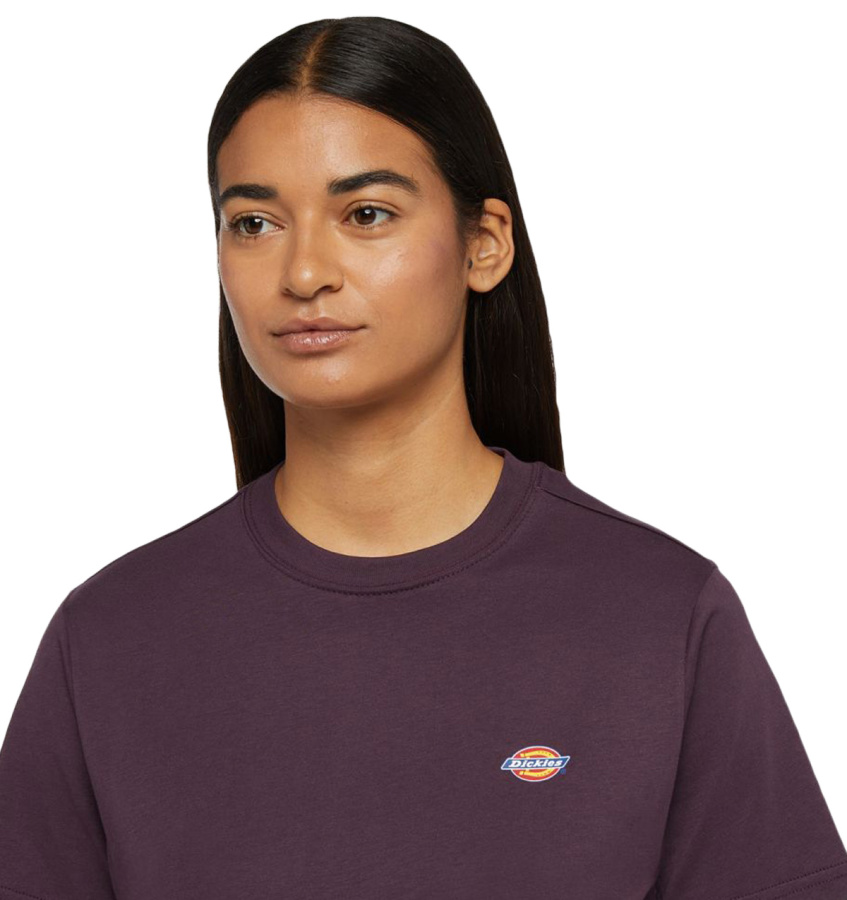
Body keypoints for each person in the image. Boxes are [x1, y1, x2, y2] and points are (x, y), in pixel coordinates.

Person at [0, 15, 844, 900]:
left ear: (485, 244)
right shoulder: (112, 636)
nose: (303, 273)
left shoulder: (659, 616)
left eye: (365, 214)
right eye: (253, 222)